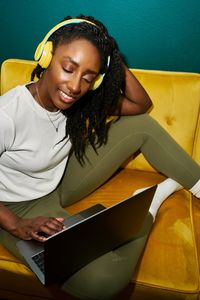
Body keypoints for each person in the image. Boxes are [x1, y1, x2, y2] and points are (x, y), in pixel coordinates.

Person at [0, 14, 200, 300]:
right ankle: (152, 200)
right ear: (46, 56)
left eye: (88, 77)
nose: (74, 86)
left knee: (141, 126)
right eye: (68, 68)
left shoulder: (78, 100)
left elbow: (141, 106)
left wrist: (112, 57)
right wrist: (14, 224)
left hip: (59, 180)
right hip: (16, 206)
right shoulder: (7, 115)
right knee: (103, 283)